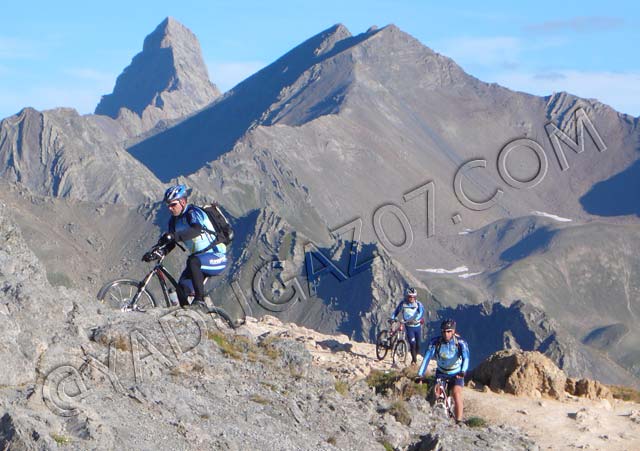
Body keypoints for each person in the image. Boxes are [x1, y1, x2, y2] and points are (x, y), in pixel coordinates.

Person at [158, 184, 227, 308]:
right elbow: (171, 243)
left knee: (193, 261)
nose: (170, 208)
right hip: (198, 261)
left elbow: (197, 229)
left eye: (173, 204)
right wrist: (158, 251)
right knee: (181, 289)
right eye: (167, 205)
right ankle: (189, 315)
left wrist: (174, 236)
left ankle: (200, 300)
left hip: (216, 256)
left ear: (183, 202)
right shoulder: (173, 221)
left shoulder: (193, 212)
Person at [417, 318, 470, 424]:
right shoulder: (435, 342)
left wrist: (463, 371)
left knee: (456, 394)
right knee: (437, 393)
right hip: (441, 372)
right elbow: (427, 358)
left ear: (453, 331)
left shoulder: (460, 343)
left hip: (456, 374)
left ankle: (458, 422)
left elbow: (466, 358)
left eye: (449, 331)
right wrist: (420, 374)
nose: (446, 334)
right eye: (444, 331)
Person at [391, 287, 426, 365]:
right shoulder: (403, 304)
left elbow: (421, 313)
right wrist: (392, 318)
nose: (412, 298)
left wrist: (416, 319)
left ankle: (415, 357)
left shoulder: (418, 304)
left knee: (418, 345)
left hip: (417, 326)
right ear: (407, 296)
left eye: (413, 297)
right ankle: (414, 361)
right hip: (409, 327)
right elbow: (396, 311)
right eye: (410, 296)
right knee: (412, 344)